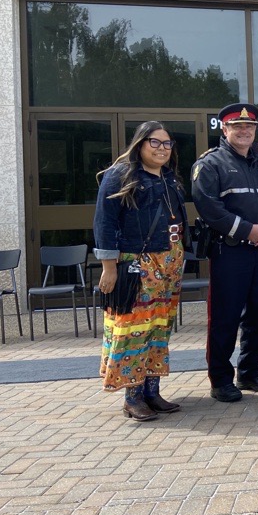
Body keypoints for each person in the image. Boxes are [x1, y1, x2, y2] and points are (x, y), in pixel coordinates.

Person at [192, 103, 258, 403]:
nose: (244, 131)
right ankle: (220, 379)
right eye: (237, 127)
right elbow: (209, 207)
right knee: (225, 317)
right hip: (230, 252)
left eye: (249, 127)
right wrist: (246, 229)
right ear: (225, 130)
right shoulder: (210, 164)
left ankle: (249, 372)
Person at [94, 121, 186, 421]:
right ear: (140, 144)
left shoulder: (170, 178)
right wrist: (109, 267)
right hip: (137, 265)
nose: (162, 149)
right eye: (155, 143)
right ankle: (132, 397)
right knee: (133, 331)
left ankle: (151, 391)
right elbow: (104, 224)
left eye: (167, 143)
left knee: (159, 329)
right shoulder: (119, 176)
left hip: (169, 264)